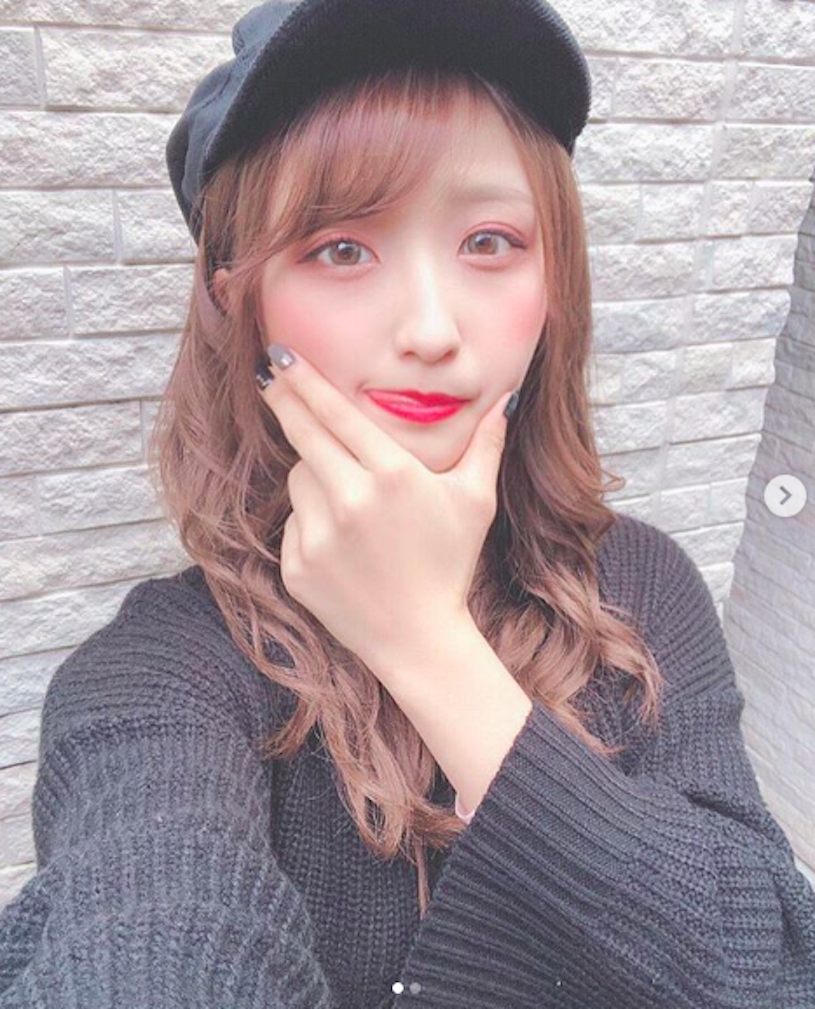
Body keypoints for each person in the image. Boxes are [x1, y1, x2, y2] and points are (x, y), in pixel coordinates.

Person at [1, 1, 815, 1006]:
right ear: (233, 298)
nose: (431, 328)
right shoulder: (165, 670)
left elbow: (770, 967)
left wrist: (425, 643)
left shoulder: (640, 585)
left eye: (489, 240)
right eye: (340, 248)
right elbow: (146, 935)